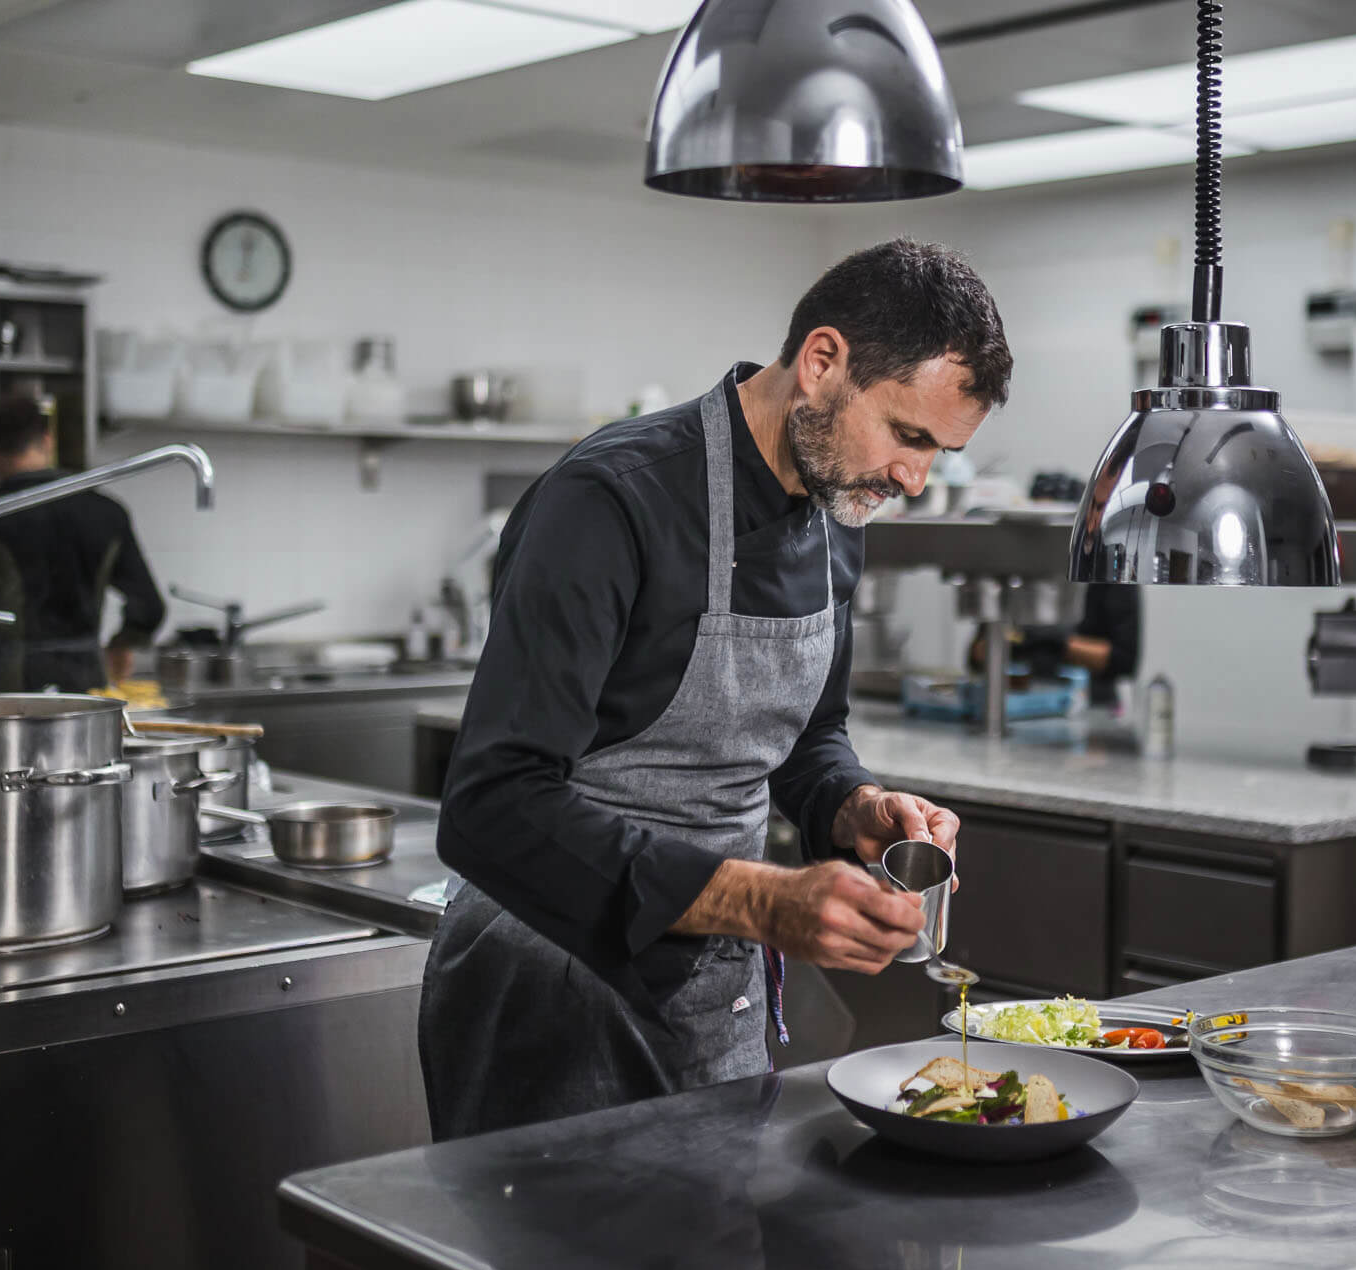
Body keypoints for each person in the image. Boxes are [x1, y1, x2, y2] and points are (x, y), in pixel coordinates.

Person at [420, 239, 1014, 1139]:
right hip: (548, 986)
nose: (914, 479)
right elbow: (489, 806)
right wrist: (763, 901)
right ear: (822, 362)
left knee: (722, 1228)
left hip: (712, 988)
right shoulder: (609, 500)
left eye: (941, 450)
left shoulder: (837, 515)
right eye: (908, 435)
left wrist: (854, 804)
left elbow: (807, 739)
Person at [0, 394, 165, 693]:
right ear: (47, 440)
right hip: (85, 685)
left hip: (7, 688)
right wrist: (124, 643)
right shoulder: (107, 511)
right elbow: (149, 606)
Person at [971, 584, 1142, 707]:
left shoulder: (1107, 573)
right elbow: (975, 655)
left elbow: (1124, 659)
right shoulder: (1015, 575)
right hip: (1015, 705)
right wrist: (1006, 642)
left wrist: (1054, 641)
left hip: (1090, 707)